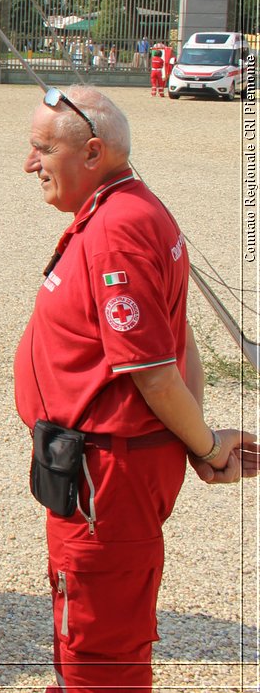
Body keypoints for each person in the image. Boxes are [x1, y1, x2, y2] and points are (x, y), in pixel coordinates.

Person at [15, 85, 256, 692]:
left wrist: (203, 446)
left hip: (105, 474)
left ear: (93, 153)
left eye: (42, 148)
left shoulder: (116, 228)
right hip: (101, 468)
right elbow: (179, 336)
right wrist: (197, 440)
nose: (29, 163)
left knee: (101, 646)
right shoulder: (128, 207)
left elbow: (153, 367)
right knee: (89, 628)